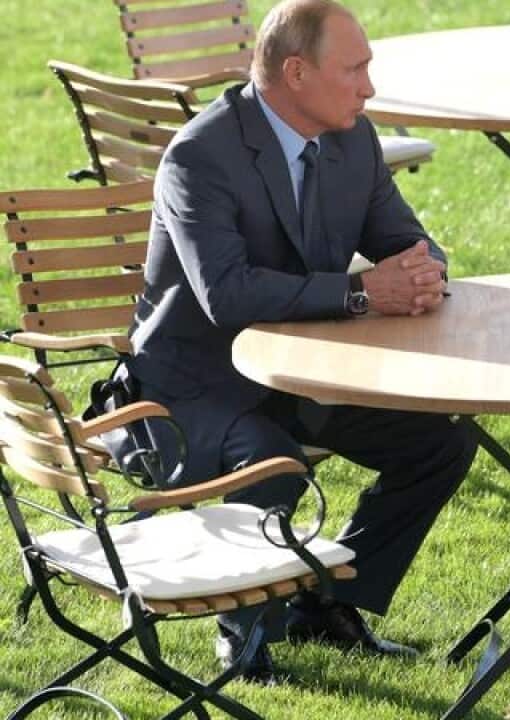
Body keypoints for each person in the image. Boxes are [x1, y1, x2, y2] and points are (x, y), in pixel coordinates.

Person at [120, 0, 477, 684]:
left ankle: (329, 601)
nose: (369, 87)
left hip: (300, 370)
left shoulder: (351, 138)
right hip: (197, 385)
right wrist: (362, 294)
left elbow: (401, 236)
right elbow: (226, 293)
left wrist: (422, 268)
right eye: (355, 69)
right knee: (274, 463)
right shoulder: (202, 156)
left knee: (440, 442)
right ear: (296, 73)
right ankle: (244, 639)